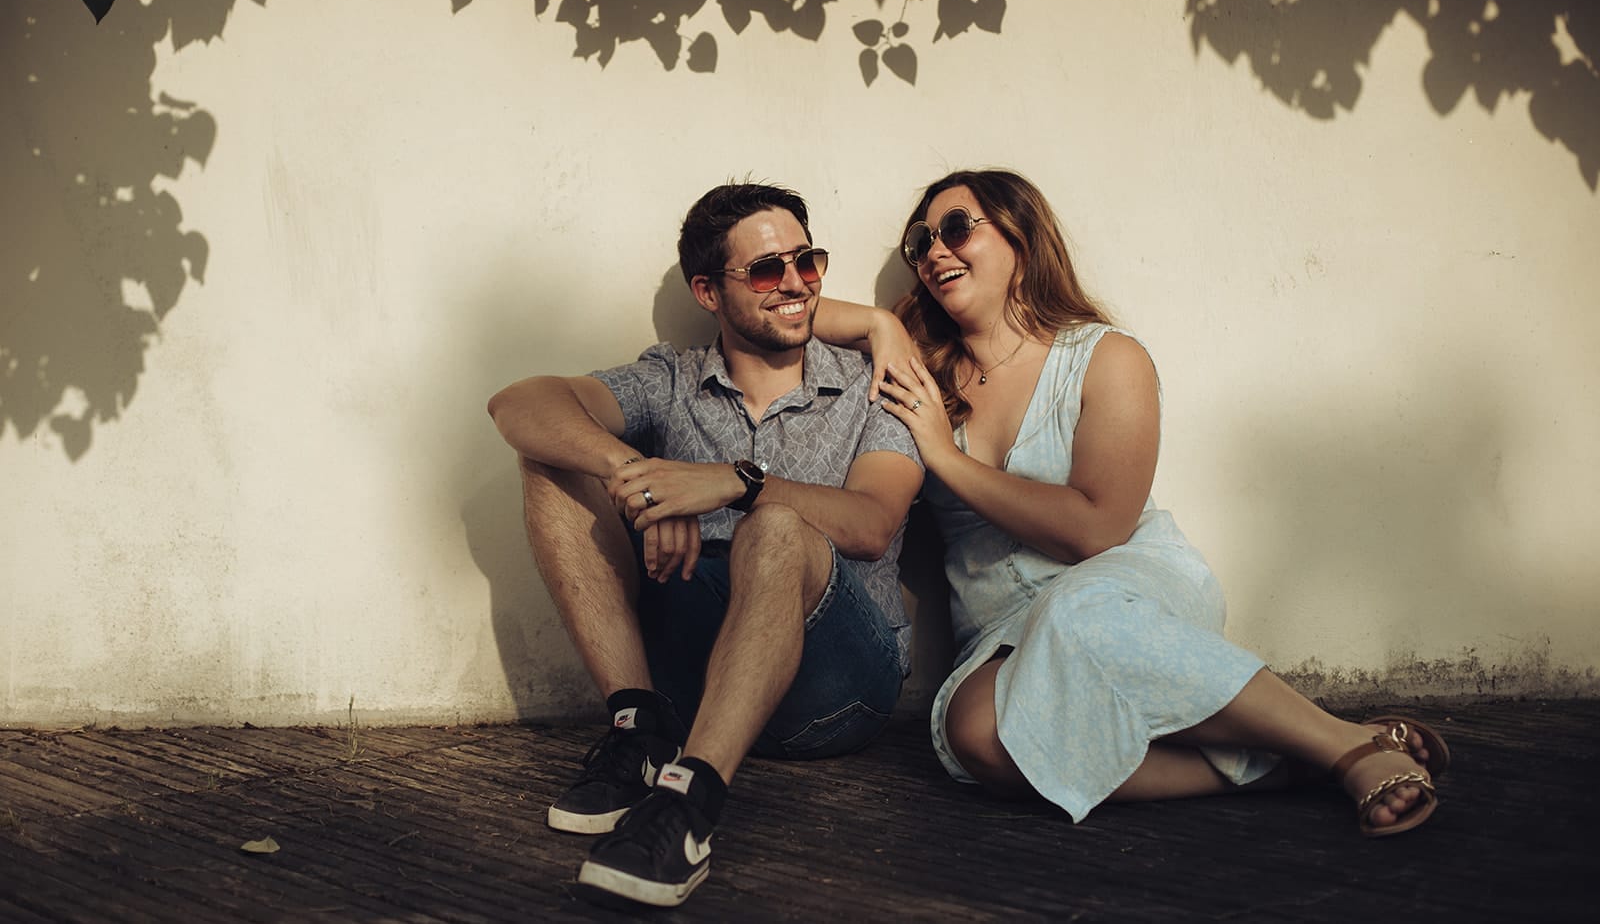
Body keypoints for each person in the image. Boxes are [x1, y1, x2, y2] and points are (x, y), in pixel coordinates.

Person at [814, 168, 1447, 837]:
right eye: (921, 241)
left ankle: (1341, 745)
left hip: (1119, 584)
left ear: (1021, 241)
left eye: (956, 228)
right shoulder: (922, 369)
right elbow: (789, 309)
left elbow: (1096, 528)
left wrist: (947, 459)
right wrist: (882, 322)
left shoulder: (1106, 357)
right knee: (975, 736)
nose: (934, 250)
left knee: (1077, 612)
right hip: (1000, 619)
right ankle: (1286, 765)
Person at [487, 182, 923, 907]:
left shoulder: (873, 386)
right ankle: (641, 730)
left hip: (837, 687)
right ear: (708, 291)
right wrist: (641, 478)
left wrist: (730, 483)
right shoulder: (673, 379)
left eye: (807, 262)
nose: (794, 283)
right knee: (552, 459)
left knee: (776, 527)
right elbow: (518, 403)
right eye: (765, 270)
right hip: (701, 677)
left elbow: (872, 523)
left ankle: (688, 807)